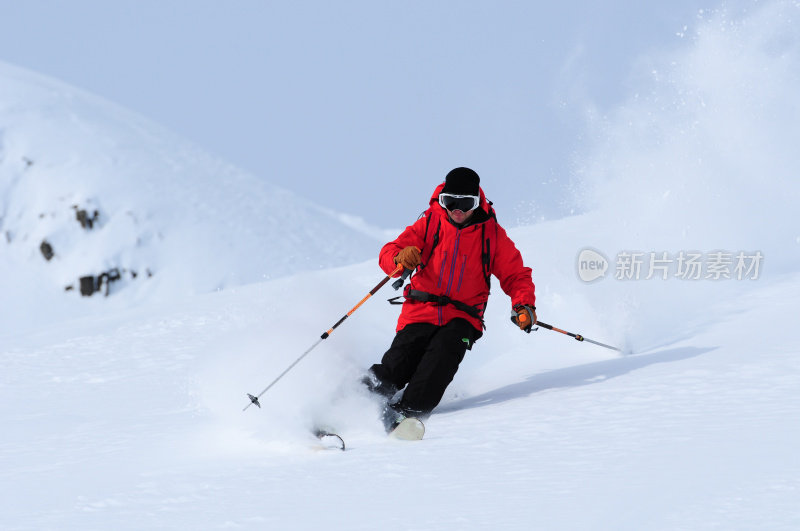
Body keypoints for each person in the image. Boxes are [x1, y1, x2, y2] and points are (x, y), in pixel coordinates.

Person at [363, 167, 537, 430]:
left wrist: (523, 304)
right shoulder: (430, 223)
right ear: (442, 199)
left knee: (440, 359)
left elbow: (516, 275)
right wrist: (399, 258)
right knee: (398, 364)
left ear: (477, 202)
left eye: (465, 203)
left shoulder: (492, 235)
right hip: (420, 309)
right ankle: (351, 403)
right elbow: (389, 252)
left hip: (463, 317)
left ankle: (407, 415)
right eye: (450, 202)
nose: (457, 209)